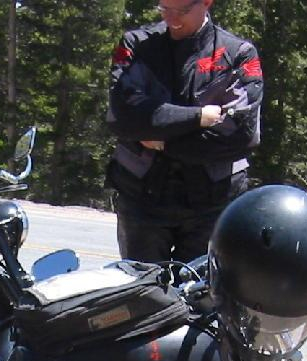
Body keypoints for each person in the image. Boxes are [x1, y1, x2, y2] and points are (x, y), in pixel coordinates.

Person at [105, 0, 263, 265]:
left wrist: (162, 142)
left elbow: (241, 134)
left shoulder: (239, 53)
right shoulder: (136, 45)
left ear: (207, 3)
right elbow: (123, 116)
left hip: (212, 200)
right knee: (141, 286)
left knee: (200, 288)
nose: (172, 18)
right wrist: (199, 117)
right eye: (164, 8)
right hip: (142, 196)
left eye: (182, 11)